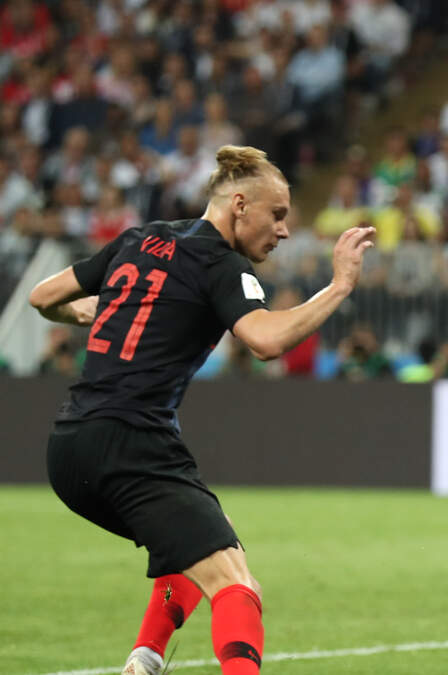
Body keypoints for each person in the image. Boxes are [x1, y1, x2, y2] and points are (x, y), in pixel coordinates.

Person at [27, 145, 376, 675]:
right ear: (240, 205)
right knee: (237, 584)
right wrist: (339, 286)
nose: (283, 231)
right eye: (277, 214)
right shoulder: (221, 264)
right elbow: (266, 340)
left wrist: (86, 313)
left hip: (70, 448)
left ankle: (145, 660)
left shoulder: (141, 237)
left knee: (206, 540)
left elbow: (42, 296)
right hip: (133, 442)